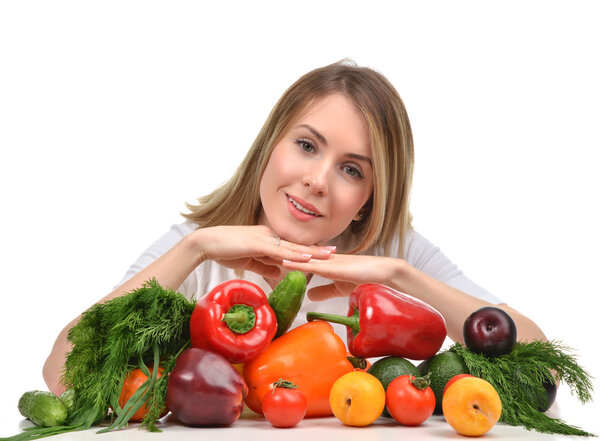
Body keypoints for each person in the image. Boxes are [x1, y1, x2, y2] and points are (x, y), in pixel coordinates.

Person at [43, 60, 546, 396]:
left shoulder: (395, 253)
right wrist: (194, 248)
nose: (316, 181)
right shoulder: (198, 249)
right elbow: (61, 374)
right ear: (270, 145)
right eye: (307, 145)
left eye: (352, 170)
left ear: (371, 197)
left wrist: (400, 275)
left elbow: (540, 366)